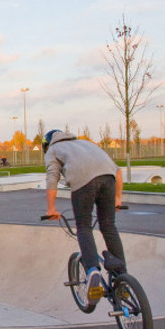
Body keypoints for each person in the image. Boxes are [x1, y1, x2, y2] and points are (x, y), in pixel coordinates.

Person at [43, 130, 126, 305]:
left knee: (84, 227)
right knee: (108, 226)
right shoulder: (87, 143)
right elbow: (118, 172)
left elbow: (52, 177)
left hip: (83, 183)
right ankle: (122, 277)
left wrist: (51, 209)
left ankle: (92, 270)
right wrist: (118, 199)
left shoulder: (53, 150)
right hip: (108, 179)